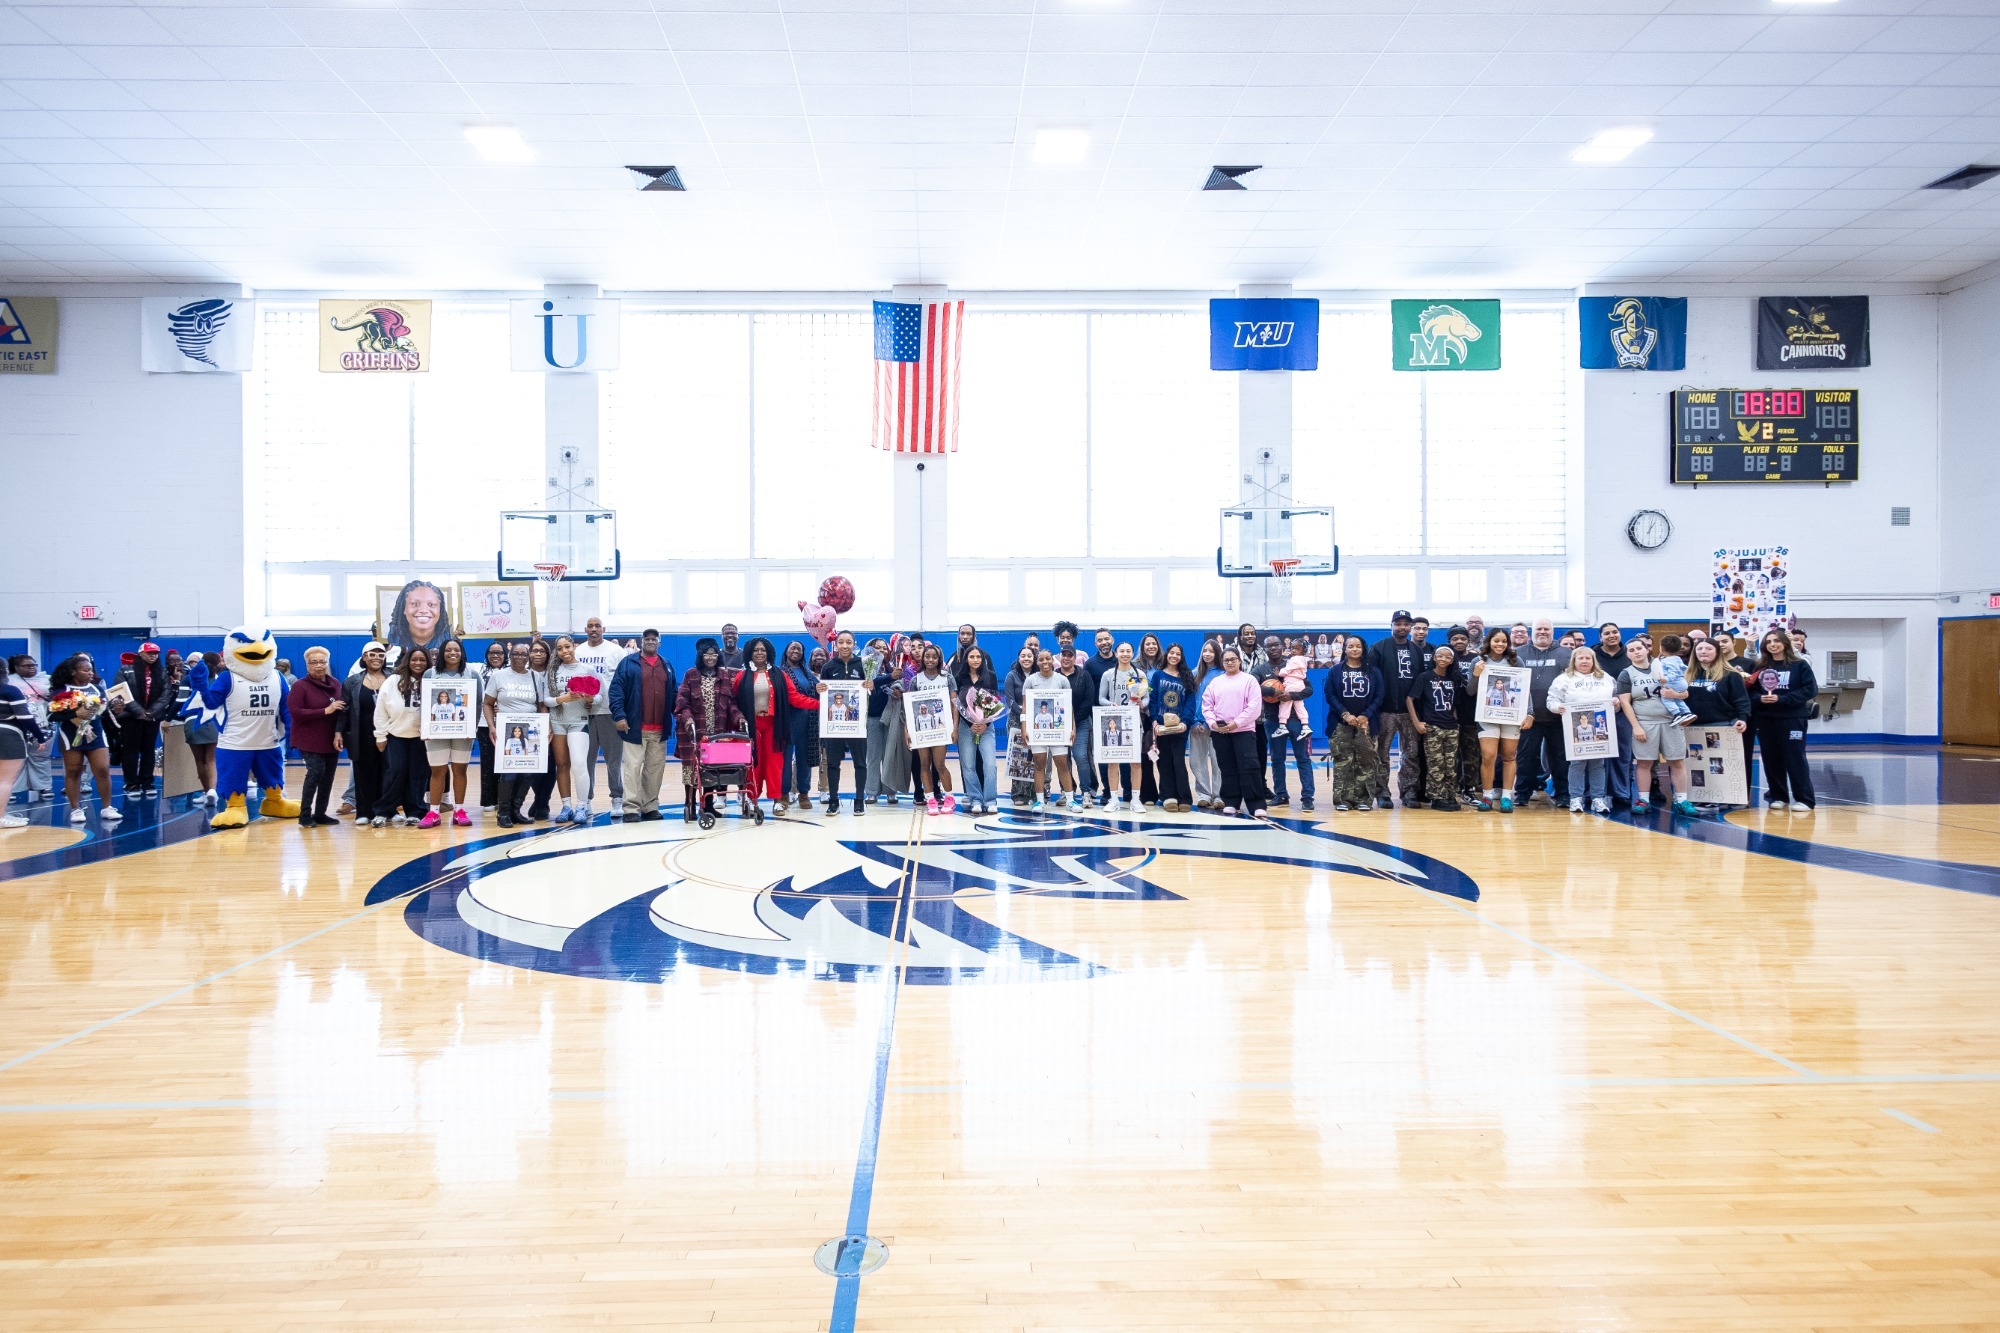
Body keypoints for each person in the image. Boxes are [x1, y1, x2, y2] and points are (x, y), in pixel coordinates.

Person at [1617, 637, 1694, 816]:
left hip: (1671, 721)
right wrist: (1636, 726)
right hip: (1645, 722)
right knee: (1644, 762)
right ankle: (1643, 799)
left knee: (1677, 761)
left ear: (1647, 650)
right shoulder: (1626, 674)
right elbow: (1625, 703)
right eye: (1631, 650)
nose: (1636, 652)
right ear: (1627, 654)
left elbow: (1685, 692)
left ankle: (1681, 800)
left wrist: (1675, 693)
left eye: (1639, 648)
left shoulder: (1664, 666)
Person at [609, 628, 676, 822]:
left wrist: (679, 713)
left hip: (659, 729)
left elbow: (673, 693)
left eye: (654, 639)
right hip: (634, 728)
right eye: (647, 639)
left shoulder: (666, 665)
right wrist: (620, 716)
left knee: (654, 770)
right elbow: (616, 691)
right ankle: (631, 808)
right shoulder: (628, 663)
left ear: (659, 642)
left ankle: (650, 806)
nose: (650, 641)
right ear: (641, 641)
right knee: (632, 769)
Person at [675, 638, 745, 821]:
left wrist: (740, 718)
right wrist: (688, 719)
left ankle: (708, 806)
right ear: (701, 656)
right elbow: (682, 702)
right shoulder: (691, 674)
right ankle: (688, 804)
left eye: (714, 653)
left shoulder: (723, 676)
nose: (711, 657)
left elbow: (731, 704)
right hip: (694, 732)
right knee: (692, 770)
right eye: (707, 654)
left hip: (717, 733)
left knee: (712, 771)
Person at [484, 640, 550, 830]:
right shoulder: (498, 676)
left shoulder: (535, 677)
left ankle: (515, 809)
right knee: (509, 773)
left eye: (523, 654)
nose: (519, 657)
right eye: (515, 654)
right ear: (510, 656)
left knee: (528, 772)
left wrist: (545, 725)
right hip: (508, 730)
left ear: (528, 656)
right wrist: (491, 726)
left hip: (531, 729)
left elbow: (541, 705)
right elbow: (487, 703)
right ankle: (503, 812)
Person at [1750, 628, 1818, 812]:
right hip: (1766, 719)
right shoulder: (1761, 666)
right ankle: (1778, 796)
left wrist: (1784, 699)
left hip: (1792, 718)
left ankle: (1805, 799)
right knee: (1771, 759)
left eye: (1776, 641)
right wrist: (1759, 699)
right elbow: (1752, 690)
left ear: (1785, 643)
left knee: (1795, 758)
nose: (1772, 644)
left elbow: (1810, 690)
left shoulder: (1799, 665)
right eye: (1768, 642)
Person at [49, 654, 119, 824]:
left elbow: (103, 713)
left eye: (91, 670)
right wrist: (75, 714)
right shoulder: (61, 691)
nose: (90, 673)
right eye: (85, 670)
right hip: (71, 735)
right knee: (73, 771)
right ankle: (75, 809)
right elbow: (52, 716)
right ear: (73, 672)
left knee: (102, 770)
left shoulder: (97, 689)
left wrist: (115, 710)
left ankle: (107, 807)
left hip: (95, 734)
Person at [1685, 637, 1753, 809]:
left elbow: (1741, 700)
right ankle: (1702, 796)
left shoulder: (1731, 675)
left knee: (1717, 765)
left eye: (1708, 649)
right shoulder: (1687, 675)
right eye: (1699, 649)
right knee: (1697, 765)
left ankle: (1722, 796)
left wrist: (1742, 718)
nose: (1703, 652)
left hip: (1720, 726)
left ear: (1717, 652)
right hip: (1693, 728)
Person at [1548, 646, 1617, 814]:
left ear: (1593, 661)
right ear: (1574, 661)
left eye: (1588, 658)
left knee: (1598, 764)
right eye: (1581, 658)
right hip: (1575, 727)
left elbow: (1616, 699)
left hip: (1601, 726)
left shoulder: (1606, 678)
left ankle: (1598, 799)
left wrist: (1616, 703)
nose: (1585, 661)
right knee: (1577, 763)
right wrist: (1558, 707)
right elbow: (1551, 700)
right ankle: (1576, 798)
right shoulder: (1563, 679)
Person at [1366, 612, 1423, 808]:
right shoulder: (1379, 648)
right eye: (1398, 623)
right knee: (1381, 753)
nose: (1402, 627)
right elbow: (1371, 677)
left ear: (1410, 628)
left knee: (1411, 753)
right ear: (1391, 625)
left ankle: (1408, 792)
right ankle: (1382, 792)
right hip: (1385, 711)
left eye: (1406, 624)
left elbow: (1421, 681)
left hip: (1410, 712)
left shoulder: (1416, 650)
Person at [572, 617, 628, 812]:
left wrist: (622, 710)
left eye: (597, 626)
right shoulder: (577, 652)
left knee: (614, 760)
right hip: (583, 713)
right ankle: (586, 800)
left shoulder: (616, 651)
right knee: (586, 761)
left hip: (609, 712)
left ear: (603, 629)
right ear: (585, 629)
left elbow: (624, 681)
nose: (594, 629)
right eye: (590, 626)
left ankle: (617, 799)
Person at [1512, 620, 1569, 809]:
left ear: (1553, 632)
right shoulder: (1518, 654)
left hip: (1559, 717)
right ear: (1531, 632)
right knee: (1525, 756)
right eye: (1539, 629)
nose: (1542, 632)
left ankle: (1563, 794)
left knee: (1560, 757)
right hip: (1529, 717)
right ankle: (1522, 793)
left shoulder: (1566, 654)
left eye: (1547, 629)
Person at [372, 646, 432, 827]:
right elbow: (381, 709)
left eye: (422, 660)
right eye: (414, 659)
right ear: (407, 661)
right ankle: (384, 811)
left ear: (428, 662)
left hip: (422, 738)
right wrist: (380, 735)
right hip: (396, 736)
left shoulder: (431, 680)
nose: (418, 663)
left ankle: (415, 811)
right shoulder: (393, 681)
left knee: (418, 775)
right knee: (395, 773)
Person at [1470, 628, 1529, 813]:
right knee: (1488, 755)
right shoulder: (1478, 661)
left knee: (1510, 756)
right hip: (1487, 716)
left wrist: (1530, 713)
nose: (1500, 644)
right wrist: (1476, 675)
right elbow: (1470, 691)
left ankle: (1506, 796)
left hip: (1511, 716)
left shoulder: (1516, 660)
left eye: (1504, 641)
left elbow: (1525, 688)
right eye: (1496, 640)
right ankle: (1487, 796)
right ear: (1489, 641)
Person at [1202, 647, 1265, 817]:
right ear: (1222, 663)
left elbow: (1254, 707)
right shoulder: (1216, 682)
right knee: (1227, 767)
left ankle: (1256, 803)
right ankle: (1231, 801)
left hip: (1244, 731)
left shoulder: (1249, 680)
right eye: (1226, 660)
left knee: (1249, 766)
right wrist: (1213, 723)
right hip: (1220, 732)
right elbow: (1207, 705)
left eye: (1233, 659)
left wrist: (1236, 724)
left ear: (1239, 660)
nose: (1230, 662)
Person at [421, 638, 477, 826]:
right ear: (442, 653)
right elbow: (424, 704)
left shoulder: (471, 674)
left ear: (462, 653)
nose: (453, 653)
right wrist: (426, 728)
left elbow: (477, 703)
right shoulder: (430, 674)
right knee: (438, 771)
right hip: (436, 732)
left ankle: (459, 810)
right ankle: (434, 812)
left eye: (457, 650)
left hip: (463, 732)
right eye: (448, 650)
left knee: (460, 770)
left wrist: (473, 727)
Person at [1257, 636, 1316, 813]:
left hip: (1296, 721)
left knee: (1303, 759)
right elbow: (1252, 685)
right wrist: (1272, 691)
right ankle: (1281, 794)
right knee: (1277, 759)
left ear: (1283, 647)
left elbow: (1309, 689)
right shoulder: (1261, 669)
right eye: (1269, 645)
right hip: (1273, 720)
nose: (1273, 648)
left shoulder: (1294, 664)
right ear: (1265, 649)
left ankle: (1307, 798)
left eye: (1276, 644)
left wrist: (1292, 696)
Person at [287, 647, 344, 827]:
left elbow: (341, 709)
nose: (318, 666)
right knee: (315, 773)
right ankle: (305, 815)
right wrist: (325, 711)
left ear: (327, 663)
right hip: (308, 739)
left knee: (328, 776)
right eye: (314, 662)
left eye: (322, 662)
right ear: (306, 665)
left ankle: (320, 813)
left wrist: (339, 732)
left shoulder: (335, 683)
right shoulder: (300, 685)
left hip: (330, 738)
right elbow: (295, 712)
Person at [1324, 635, 1382, 811]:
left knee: (1366, 762)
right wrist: (1345, 714)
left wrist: (1366, 715)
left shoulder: (1373, 671)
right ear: (1345, 649)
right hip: (1340, 724)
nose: (1354, 649)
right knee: (1343, 762)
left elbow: (1380, 695)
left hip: (1367, 725)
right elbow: (1330, 695)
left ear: (1363, 649)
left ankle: (1364, 800)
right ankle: (1343, 799)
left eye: (1358, 646)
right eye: (1350, 646)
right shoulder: (1335, 671)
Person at [733, 637, 790, 813]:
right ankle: (751, 799)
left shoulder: (780, 675)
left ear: (769, 654)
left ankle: (777, 800)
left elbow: (794, 697)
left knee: (775, 764)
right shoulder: (741, 677)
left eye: (763, 650)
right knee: (753, 764)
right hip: (752, 725)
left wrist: (819, 702)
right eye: (756, 650)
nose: (759, 653)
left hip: (774, 725)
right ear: (750, 653)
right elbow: (734, 702)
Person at [1408, 645, 1467, 812]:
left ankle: (1449, 794)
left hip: (1451, 727)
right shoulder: (1425, 677)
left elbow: (1456, 701)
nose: (1443, 659)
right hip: (1433, 726)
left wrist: (1454, 717)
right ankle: (1436, 796)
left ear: (1451, 660)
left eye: (1447, 657)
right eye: (1440, 656)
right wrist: (1417, 722)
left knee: (1450, 764)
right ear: (1434, 657)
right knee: (1435, 764)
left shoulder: (1454, 678)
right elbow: (1410, 699)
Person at [110, 642, 173, 798]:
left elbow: (166, 694)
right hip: (131, 717)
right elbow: (120, 692)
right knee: (130, 750)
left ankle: (147, 782)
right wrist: (138, 711)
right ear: (140, 654)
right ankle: (131, 783)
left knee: (148, 750)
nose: (153, 655)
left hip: (152, 718)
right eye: (150, 653)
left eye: (156, 653)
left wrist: (151, 712)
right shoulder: (125, 670)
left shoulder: (161, 671)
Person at [817, 630, 870, 816]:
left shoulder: (864, 665)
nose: (845, 646)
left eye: (849, 642)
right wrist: (820, 688)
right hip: (834, 725)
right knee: (832, 763)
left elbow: (870, 694)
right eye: (841, 642)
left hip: (856, 724)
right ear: (836, 645)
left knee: (860, 763)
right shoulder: (828, 667)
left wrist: (870, 687)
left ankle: (859, 801)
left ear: (854, 644)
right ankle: (833, 801)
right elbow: (823, 695)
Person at [1022, 649, 1080, 811]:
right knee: (1039, 764)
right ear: (1037, 661)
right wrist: (1024, 727)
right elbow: (1025, 708)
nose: (1045, 662)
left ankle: (1070, 800)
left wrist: (1073, 727)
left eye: (1048, 659)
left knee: (1062, 764)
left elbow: (1069, 707)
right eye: (1041, 659)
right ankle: (1040, 801)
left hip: (1058, 731)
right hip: (1037, 732)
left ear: (1053, 660)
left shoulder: (1062, 680)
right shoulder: (1031, 681)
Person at [547, 635, 595, 825]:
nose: (564, 651)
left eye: (567, 646)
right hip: (558, 722)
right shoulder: (552, 672)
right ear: (556, 651)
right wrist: (563, 699)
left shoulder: (586, 669)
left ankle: (581, 806)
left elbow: (599, 697)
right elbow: (547, 700)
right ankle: (566, 806)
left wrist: (589, 699)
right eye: (560, 648)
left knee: (579, 764)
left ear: (574, 646)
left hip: (578, 722)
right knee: (562, 765)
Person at [340, 643, 389, 826]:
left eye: (380, 654)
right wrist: (339, 732)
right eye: (372, 654)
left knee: (387, 773)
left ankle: (385, 811)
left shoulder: (393, 678)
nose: (376, 658)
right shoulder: (352, 682)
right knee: (363, 774)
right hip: (362, 735)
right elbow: (344, 710)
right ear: (364, 657)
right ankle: (363, 812)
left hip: (389, 734)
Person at [1095, 642, 1148, 811]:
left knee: (1135, 762)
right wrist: (1109, 704)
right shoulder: (1109, 674)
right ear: (1116, 653)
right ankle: (1113, 799)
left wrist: (1142, 703)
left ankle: (1135, 799)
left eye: (1128, 651)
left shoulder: (1138, 673)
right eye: (1122, 651)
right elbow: (1101, 698)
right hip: (1114, 721)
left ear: (1132, 653)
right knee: (1113, 762)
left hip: (1133, 722)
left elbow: (1146, 698)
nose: (1125, 654)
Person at [953, 645, 1003, 815]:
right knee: (968, 765)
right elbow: (958, 705)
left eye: (978, 657)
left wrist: (984, 724)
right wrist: (971, 724)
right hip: (966, 727)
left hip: (986, 727)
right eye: (972, 657)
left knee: (990, 765)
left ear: (983, 659)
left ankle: (990, 800)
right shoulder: (959, 678)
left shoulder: (991, 677)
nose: (975, 660)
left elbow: (995, 702)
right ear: (966, 659)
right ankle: (975, 798)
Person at [1149, 642, 1196, 813]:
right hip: (1161, 727)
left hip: (1180, 728)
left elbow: (1191, 703)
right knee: (1164, 761)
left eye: (1178, 653)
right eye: (1171, 653)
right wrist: (1154, 721)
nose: (1174, 656)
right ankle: (1168, 796)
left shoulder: (1187, 676)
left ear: (1181, 657)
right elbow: (1153, 700)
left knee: (1178, 761)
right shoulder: (1157, 675)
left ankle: (1184, 798)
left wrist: (1185, 722)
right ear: (1166, 655)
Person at [1593, 623, 1635, 806]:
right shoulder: (1593, 655)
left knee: (1623, 753)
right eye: (1607, 633)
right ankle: (1598, 792)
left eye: (1615, 632)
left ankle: (1621, 792)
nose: (1612, 635)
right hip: (1597, 711)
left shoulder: (1629, 655)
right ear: (1600, 637)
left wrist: (1621, 699)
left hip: (1623, 711)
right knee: (1598, 754)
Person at [0, 671, 48, 827]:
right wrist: (39, 736)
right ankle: (1, 817)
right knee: (5, 780)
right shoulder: (9, 690)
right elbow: (24, 717)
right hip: (8, 735)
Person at [779, 640, 821, 808]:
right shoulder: (779, 672)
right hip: (786, 720)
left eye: (799, 648)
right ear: (786, 651)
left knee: (804, 758)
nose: (796, 650)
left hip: (807, 721)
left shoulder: (807, 672)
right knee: (785, 758)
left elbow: (820, 689)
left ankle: (804, 793)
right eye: (792, 648)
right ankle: (784, 793)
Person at [178, 651, 221, 805]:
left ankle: (205, 791)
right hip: (213, 722)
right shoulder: (220, 680)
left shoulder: (189, 679)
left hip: (193, 722)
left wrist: (169, 719)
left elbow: (180, 701)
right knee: (211, 759)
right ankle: (212, 791)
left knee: (199, 760)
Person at [9, 655, 54, 805]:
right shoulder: (9, 681)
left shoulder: (46, 680)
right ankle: (12, 789)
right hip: (18, 725)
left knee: (41, 757)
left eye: (34, 665)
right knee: (16, 757)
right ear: (16, 668)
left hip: (44, 724)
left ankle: (44, 786)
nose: (32, 668)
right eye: (27, 666)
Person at [1187, 639, 1225, 810]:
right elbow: (1190, 701)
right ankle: (1203, 794)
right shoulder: (1194, 673)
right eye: (1205, 651)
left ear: (1217, 653)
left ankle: (1219, 795)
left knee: (1218, 761)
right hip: (1196, 727)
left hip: (1217, 726)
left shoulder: (1224, 675)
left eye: (1211, 651)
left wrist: (1211, 722)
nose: (1207, 654)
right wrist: (1194, 721)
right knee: (1197, 762)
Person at [1002, 644, 1038, 808]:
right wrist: (1024, 713)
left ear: (1034, 658)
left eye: (1029, 656)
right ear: (1018, 658)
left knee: (1034, 757)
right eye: (1023, 656)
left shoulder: (1038, 675)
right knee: (1018, 759)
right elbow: (1009, 700)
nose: (1026, 658)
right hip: (1016, 720)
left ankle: (1033, 793)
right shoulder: (1011, 676)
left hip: (1037, 720)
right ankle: (1018, 793)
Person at [863, 636, 897, 805]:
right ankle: (871, 791)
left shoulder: (892, 669)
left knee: (890, 756)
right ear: (870, 650)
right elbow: (870, 683)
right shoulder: (866, 668)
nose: (882, 651)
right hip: (873, 717)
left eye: (884, 648)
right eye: (878, 647)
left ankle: (890, 791)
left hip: (891, 718)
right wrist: (890, 677)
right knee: (873, 757)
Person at [473, 641, 507, 811]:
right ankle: (488, 800)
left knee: (505, 762)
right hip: (484, 723)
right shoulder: (478, 669)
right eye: (492, 652)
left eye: (499, 652)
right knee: (488, 762)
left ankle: (504, 799)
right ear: (486, 655)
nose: (495, 655)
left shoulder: (510, 671)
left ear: (505, 655)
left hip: (508, 723)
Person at [383, 578, 453, 658]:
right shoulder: (392, 637)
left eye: (431, 604)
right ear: (404, 608)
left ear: (440, 610)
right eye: (415, 604)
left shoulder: (449, 638)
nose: (423, 610)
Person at [1655, 633, 1696, 726]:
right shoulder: (1676, 658)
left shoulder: (1668, 660)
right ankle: (1687, 713)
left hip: (1675, 682)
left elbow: (1674, 672)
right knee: (1677, 699)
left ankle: (1677, 715)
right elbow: (1683, 667)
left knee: (1666, 698)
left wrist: (1666, 679)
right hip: (1681, 682)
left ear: (1661, 648)